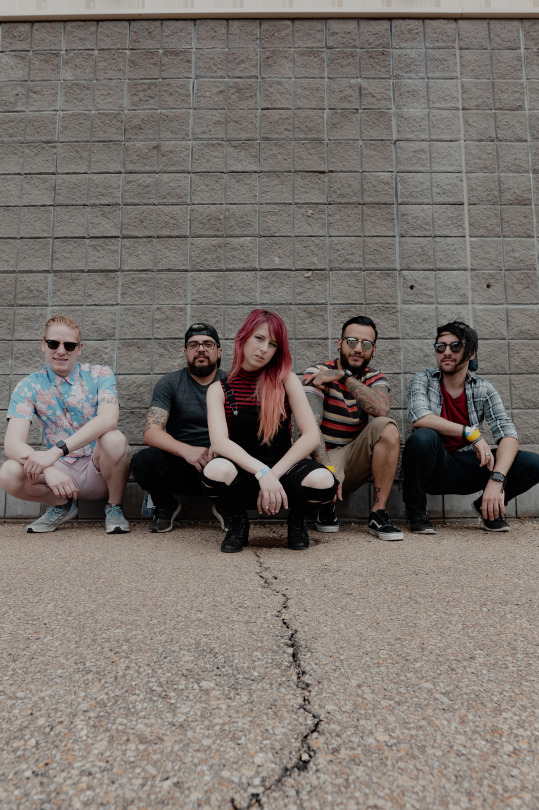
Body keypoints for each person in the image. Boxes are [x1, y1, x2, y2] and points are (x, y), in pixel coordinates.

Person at [201, 309, 338, 553]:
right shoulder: (219, 389)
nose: (264, 349)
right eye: (259, 338)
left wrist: (272, 474)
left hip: (283, 470)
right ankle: (237, 523)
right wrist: (261, 472)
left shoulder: (286, 380)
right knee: (214, 470)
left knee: (325, 480)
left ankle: (297, 521)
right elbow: (220, 443)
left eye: (272, 344)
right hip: (244, 473)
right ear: (243, 338)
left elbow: (310, 436)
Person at [402, 320, 539, 533]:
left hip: (469, 464)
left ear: (472, 353)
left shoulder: (484, 389)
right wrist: (470, 432)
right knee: (423, 437)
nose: (447, 352)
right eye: (441, 347)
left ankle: (488, 508)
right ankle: (416, 512)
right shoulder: (423, 379)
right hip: (435, 466)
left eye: (456, 346)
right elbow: (419, 417)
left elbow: (508, 435)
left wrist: (497, 479)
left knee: (532, 463)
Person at [0, 315, 131, 534]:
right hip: (59, 474)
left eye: (69, 345)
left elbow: (109, 419)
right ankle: (61, 505)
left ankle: (114, 507)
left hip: (97, 469)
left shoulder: (100, 374)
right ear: (43, 345)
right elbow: (13, 444)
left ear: (79, 349)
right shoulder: (28, 386)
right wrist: (48, 468)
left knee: (114, 439)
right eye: (54, 344)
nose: (61, 351)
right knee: (9, 472)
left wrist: (55, 452)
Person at [302, 316, 403, 541]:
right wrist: (327, 471)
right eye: (351, 341)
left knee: (387, 427)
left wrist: (345, 377)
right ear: (340, 343)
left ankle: (378, 514)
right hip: (323, 455)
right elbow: (309, 427)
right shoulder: (318, 372)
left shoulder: (375, 377)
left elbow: (381, 409)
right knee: (316, 460)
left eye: (366, 344)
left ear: (373, 350)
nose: (358, 348)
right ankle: (324, 504)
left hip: (355, 455)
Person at [130, 323, 227, 533]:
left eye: (208, 344)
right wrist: (187, 451)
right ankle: (166, 505)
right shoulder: (170, 383)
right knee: (142, 461)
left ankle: (226, 506)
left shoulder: (231, 383)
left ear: (219, 351)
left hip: (221, 465)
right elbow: (151, 432)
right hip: (180, 465)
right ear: (185, 352)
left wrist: (222, 448)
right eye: (193, 344)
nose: (200, 349)